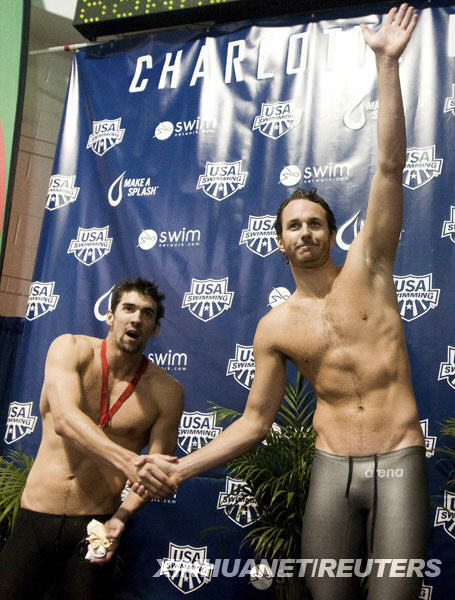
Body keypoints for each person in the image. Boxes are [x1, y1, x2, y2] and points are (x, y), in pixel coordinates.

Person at [137, 5, 428, 599]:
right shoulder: (275, 327)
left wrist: (387, 63)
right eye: (294, 225)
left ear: (332, 232)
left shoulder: (371, 269)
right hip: (329, 468)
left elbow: (391, 167)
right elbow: (253, 421)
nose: (306, 233)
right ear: (280, 241)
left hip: (397, 459)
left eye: (316, 223)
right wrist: (179, 468)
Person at [0, 277, 183, 600]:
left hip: (95, 527)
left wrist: (121, 519)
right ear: (110, 316)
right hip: (35, 517)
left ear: (155, 329)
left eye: (148, 313)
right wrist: (128, 462)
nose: (136, 319)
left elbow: (153, 473)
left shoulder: (166, 392)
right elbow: (65, 421)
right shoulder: (70, 349)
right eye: (128, 308)